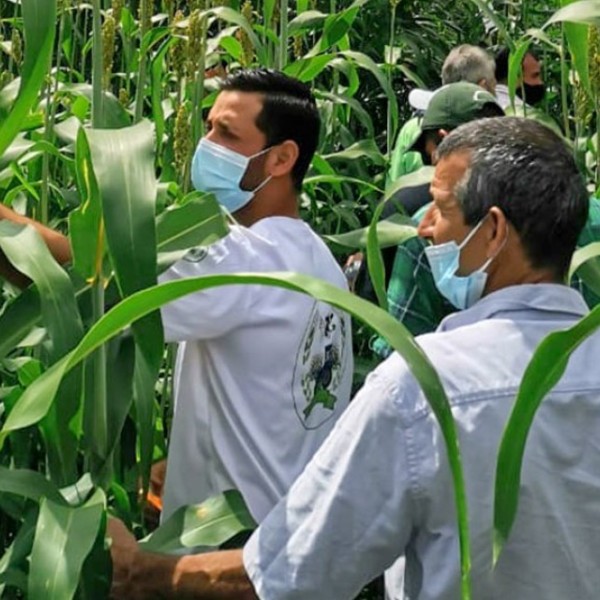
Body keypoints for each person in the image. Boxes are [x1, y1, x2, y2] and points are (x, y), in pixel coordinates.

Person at [109, 117, 600, 600]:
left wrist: (138, 572)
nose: (424, 227)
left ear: (493, 231)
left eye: (440, 208)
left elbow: (292, 577)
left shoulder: (426, 385)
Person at [0, 69, 354, 525]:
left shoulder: (248, 257)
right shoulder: (316, 260)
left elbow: (89, 283)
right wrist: (187, 465)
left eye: (226, 134)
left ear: (281, 159)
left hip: (237, 552)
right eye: (208, 126)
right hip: (291, 537)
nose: (206, 145)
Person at [354, 82, 504, 327]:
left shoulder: (411, 213)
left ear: (445, 141)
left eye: (427, 155)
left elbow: (372, 307)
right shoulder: (556, 209)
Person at [387, 44, 496, 184]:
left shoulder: (412, 128)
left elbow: (394, 189)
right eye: (494, 84)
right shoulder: (488, 132)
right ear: (483, 87)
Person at [494, 46, 562, 135]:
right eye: (535, 75)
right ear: (515, 75)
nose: (540, 82)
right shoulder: (525, 116)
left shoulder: (481, 100)